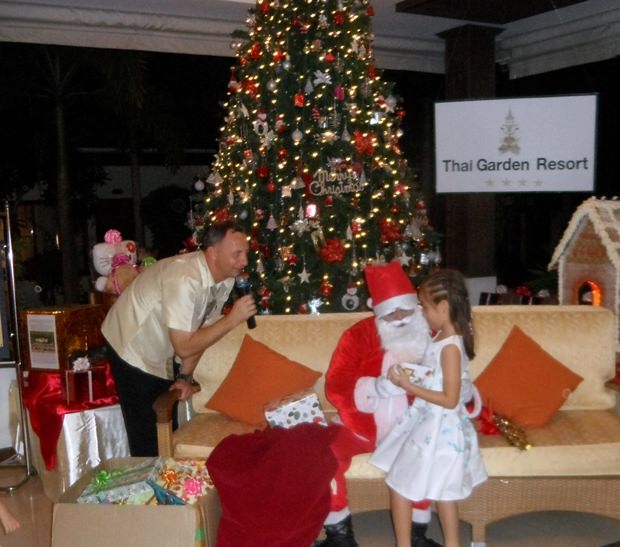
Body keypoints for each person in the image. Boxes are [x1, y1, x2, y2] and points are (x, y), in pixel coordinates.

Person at [101, 220, 256, 456]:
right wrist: (232, 320)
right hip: (131, 346)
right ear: (213, 253)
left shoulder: (224, 279)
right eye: (237, 253)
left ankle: (166, 484)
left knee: (165, 431)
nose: (244, 261)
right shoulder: (185, 278)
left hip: (161, 348)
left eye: (245, 253)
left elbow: (203, 330)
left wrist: (185, 376)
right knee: (148, 438)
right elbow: (185, 346)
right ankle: (150, 488)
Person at [317, 260, 441, 547]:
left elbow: (449, 380)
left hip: (414, 426)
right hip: (362, 427)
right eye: (390, 312)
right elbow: (337, 385)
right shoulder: (358, 336)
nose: (398, 317)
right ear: (377, 310)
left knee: (426, 453)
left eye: (405, 310)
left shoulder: (433, 334)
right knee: (325, 453)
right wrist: (376, 387)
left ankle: (417, 535)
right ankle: (340, 534)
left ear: (416, 307)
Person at [370, 269, 487, 547]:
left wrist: (409, 386)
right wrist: (415, 376)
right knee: (444, 493)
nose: (421, 311)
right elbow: (439, 378)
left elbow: (450, 398)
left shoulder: (449, 347)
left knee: (399, 484)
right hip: (437, 426)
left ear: (443, 307)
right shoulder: (441, 339)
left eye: (425, 305)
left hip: (438, 429)